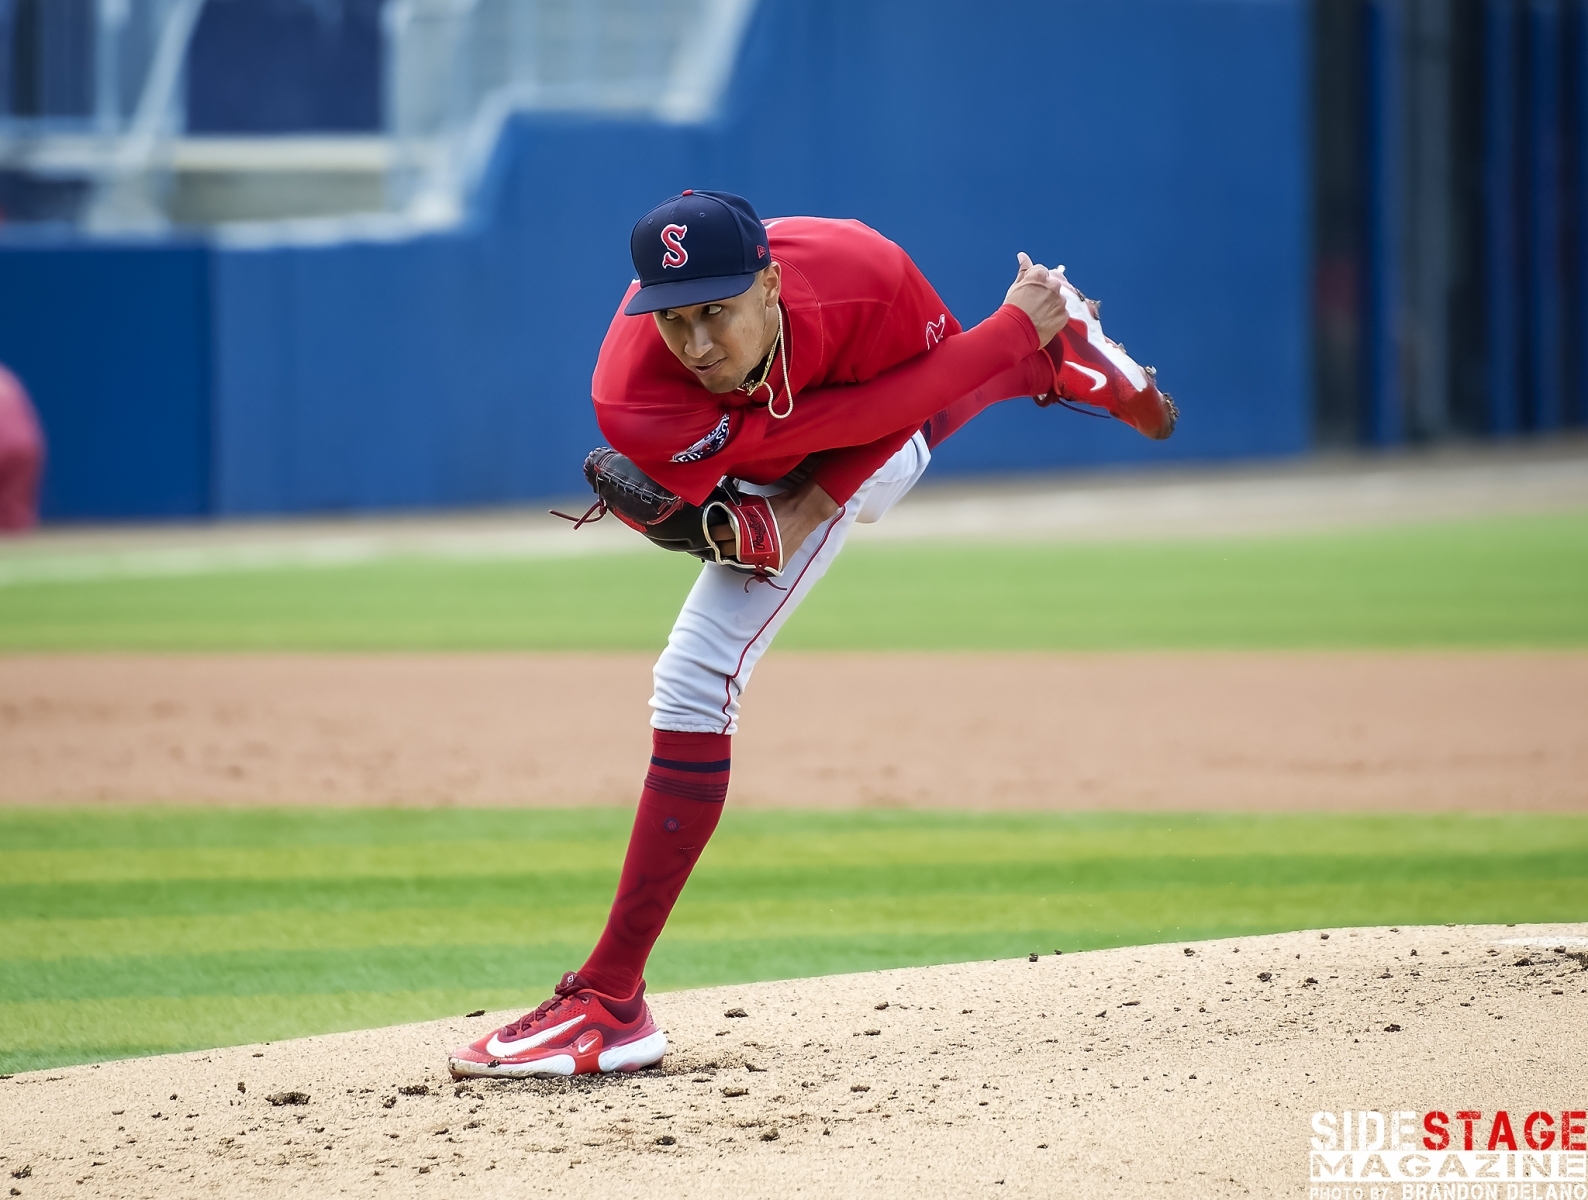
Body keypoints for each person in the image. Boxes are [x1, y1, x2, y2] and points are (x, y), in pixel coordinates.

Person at [448, 191, 1174, 1079]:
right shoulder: (630, 392)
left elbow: (901, 407)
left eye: (717, 309)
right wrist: (1009, 339)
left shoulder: (866, 274)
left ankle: (611, 1000)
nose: (698, 344)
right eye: (673, 319)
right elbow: (796, 433)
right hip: (782, 444)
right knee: (777, 554)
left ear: (772, 282)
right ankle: (1047, 355)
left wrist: (809, 504)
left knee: (708, 660)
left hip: (866, 401)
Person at [0, 363, 44, 532]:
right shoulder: (6, 376)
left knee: (12, 521)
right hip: (27, 446)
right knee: (14, 520)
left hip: (14, 445)